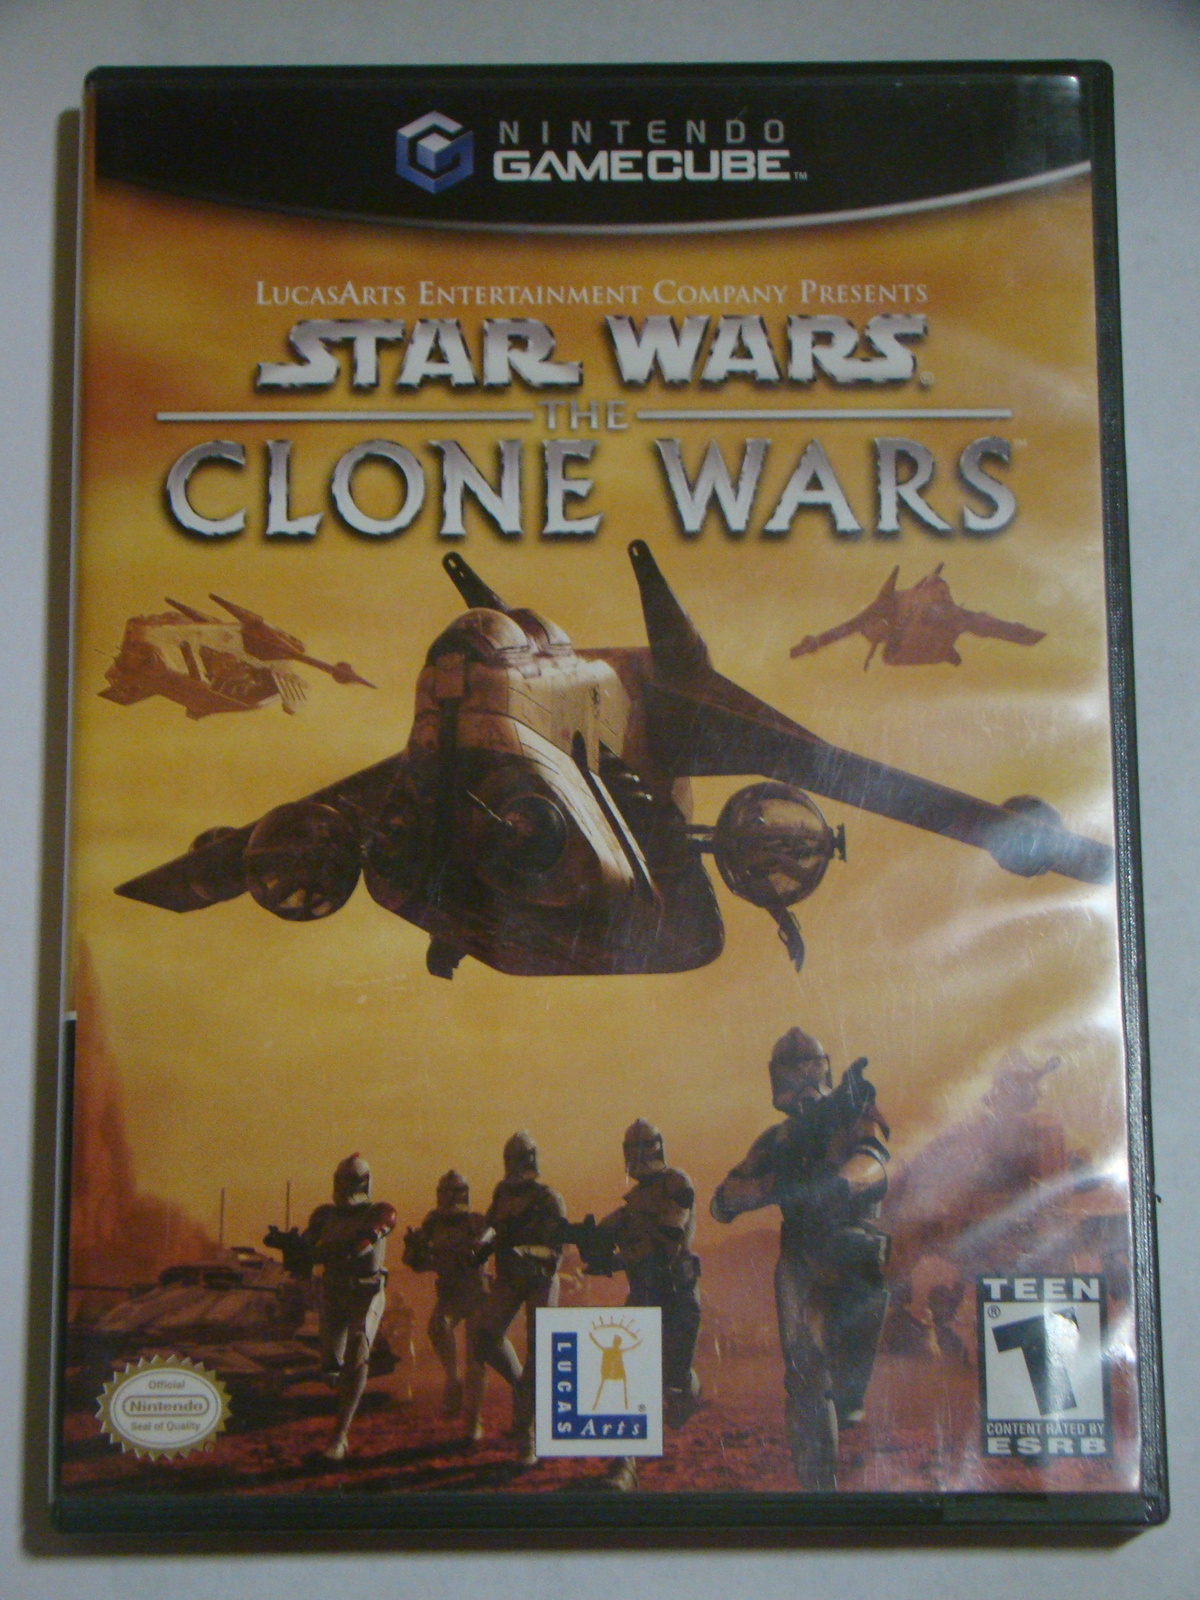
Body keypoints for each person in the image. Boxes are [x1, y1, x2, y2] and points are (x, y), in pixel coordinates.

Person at [711, 1028, 890, 1490]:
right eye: (795, 1070)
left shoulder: (851, 1114)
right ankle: (818, 1488)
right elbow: (724, 1200)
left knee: (846, 1388)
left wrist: (836, 1185)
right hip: (800, 1256)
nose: (804, 1078)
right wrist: (772, 1188)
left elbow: (874, 1162)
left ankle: (846, 1407)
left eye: (809, 1067)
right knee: (805, 1377)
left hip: (851, 1248)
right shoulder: (777, 1140)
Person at [588, 1117, 703, 1491]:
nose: (637, 1155)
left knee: (673, 1387)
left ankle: (686, 1387)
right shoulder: (633, 1202)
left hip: (677, 1298)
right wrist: (589, 1241)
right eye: (631, 1148)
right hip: (643, 1298)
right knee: (628, 1378)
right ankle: (625, 1466)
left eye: (643, 1147)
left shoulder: (677, 1184)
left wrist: (616, 1260)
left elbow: (666, 1242)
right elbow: (606, 1232)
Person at [274, 1152, 395, 1462]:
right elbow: (306, 1254)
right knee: (330, 1369)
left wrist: (315, 1252)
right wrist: (290, 1246)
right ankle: (341, 1397)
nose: (344, 1188)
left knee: (357, 1354)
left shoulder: (379, 1212)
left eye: (350, 1181)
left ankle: (339, 1436)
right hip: (333, 1292)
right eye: (341, 1181)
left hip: (366, 1293)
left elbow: (359, 1248)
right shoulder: (324, 1216)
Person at [473, 1130, 565, 1465]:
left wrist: (525, 1251)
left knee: (539, 1353)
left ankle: (528, 1435)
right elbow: (491, 1229)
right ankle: (521, 1388)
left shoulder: (548, 1198)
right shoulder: (502, 1194)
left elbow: (555, 1253)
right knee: (484, 1337)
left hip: (540, 1280)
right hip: (510, 1278)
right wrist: (481, 1246)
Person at [401, 1169, 490, 1440]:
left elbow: (489, 1246)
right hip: (450, 1293)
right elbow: (417, 1261)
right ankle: (452, 1379)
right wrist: (415, 1251)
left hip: (476, 1292)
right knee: (438, 1328)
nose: (450, 1198)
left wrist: (478, 1249)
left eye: (455, 1192)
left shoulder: (476, 1222)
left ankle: (473, 1419)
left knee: (476, 1360)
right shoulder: (433, 1222)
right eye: (445, 1192)